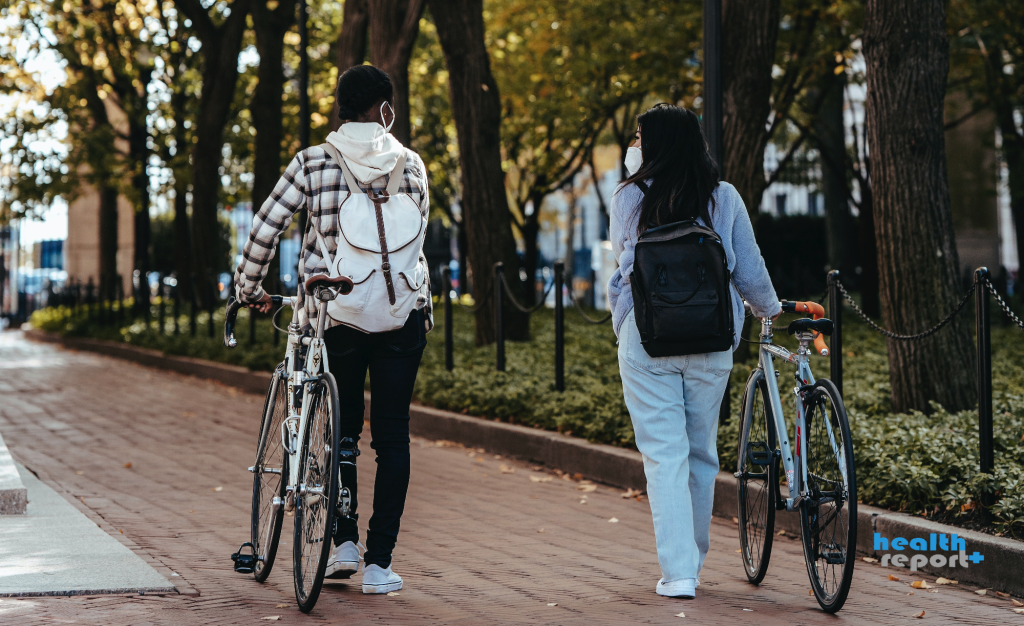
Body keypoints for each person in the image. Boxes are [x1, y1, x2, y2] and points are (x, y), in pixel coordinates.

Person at [233, 64, 432, 595]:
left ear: (342, 106)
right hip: (400, 318)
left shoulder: (312, 162)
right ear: (384, 108)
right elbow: (417, 248)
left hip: (333, 314)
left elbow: (265, 229)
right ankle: (378, 564)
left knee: (340, 433)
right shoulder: (412, 166)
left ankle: (341, 544)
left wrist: (249, 288)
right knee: (392, 438)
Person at [608, 104, 780, 599]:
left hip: (648, 338)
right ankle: (694, 563)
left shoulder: (629, 196)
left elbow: (623, 269)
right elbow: (749, 269)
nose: (634, 143)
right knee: (701, 452)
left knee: (664, 455)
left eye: (639, 136)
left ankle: (679, 573)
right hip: (711, 339)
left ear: (655, 143)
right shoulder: (723, 197)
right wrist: (769, 309)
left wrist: (622, 324)